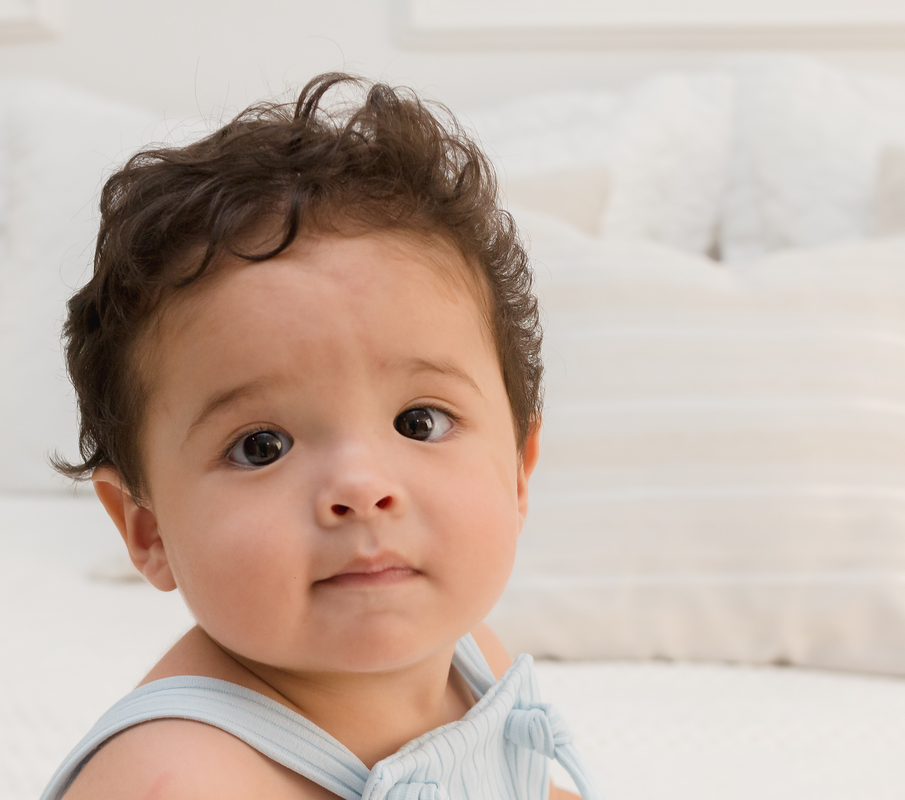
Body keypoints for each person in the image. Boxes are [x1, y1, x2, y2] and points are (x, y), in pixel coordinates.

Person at [39, 72, 602, 800]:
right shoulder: (177, 780)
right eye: (261, 446)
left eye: (419, 422)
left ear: (518, 472)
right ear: (146, 528)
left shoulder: (473, 662)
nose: (362, 488)